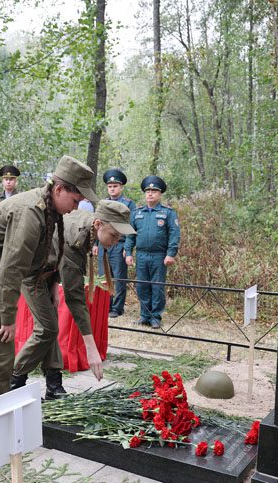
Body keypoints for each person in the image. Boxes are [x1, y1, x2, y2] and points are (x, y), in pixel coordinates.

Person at [0, 155, 99, 401]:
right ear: (60, 189)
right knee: (0, 353)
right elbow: (12, 267)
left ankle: (2, 411)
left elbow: (47, 254)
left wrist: (52, 283)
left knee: (5, 352)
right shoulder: (31, 212)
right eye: (76, 200)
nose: (77, 207)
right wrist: (8, 317)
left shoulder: (50, 209)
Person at [11, 200, 135, 399]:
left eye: (120, 236)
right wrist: (91, 349)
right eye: (114, 234)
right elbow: (74, 297)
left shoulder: (88, 226)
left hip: (47, 271)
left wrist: (53, 282)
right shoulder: (78, 235)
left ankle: (53, 386)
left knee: (51, 326)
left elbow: (57, 253)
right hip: (31, 272)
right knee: (47, 329)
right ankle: (14, 380)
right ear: (98, 224)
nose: (116, 240)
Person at [124, 176, 180, 328]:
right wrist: (128, 252)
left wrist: (171, 254)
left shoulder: (168, 213)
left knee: (157, 286)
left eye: (154, 191)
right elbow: (130, 234)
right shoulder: (137, 213)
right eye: (147, 191)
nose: (150, 194)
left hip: (158, 256)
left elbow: (174, 235)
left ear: (160, 194)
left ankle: (155, 316)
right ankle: (144, 315)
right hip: (141, 255)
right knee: (142, 286)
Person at [94, 169, 135, 319]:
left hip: (119, 246)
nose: (112, 189)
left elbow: (131, 227)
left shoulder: (129, 204)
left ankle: (117, 308)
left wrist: (128, 248)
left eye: (115, 186)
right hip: (104, 246)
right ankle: (105, 305)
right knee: (103, 277)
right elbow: (97, 224)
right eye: (110, 186)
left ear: (121, 187)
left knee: (118, 279)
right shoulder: (103, 203)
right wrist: (95, 243)